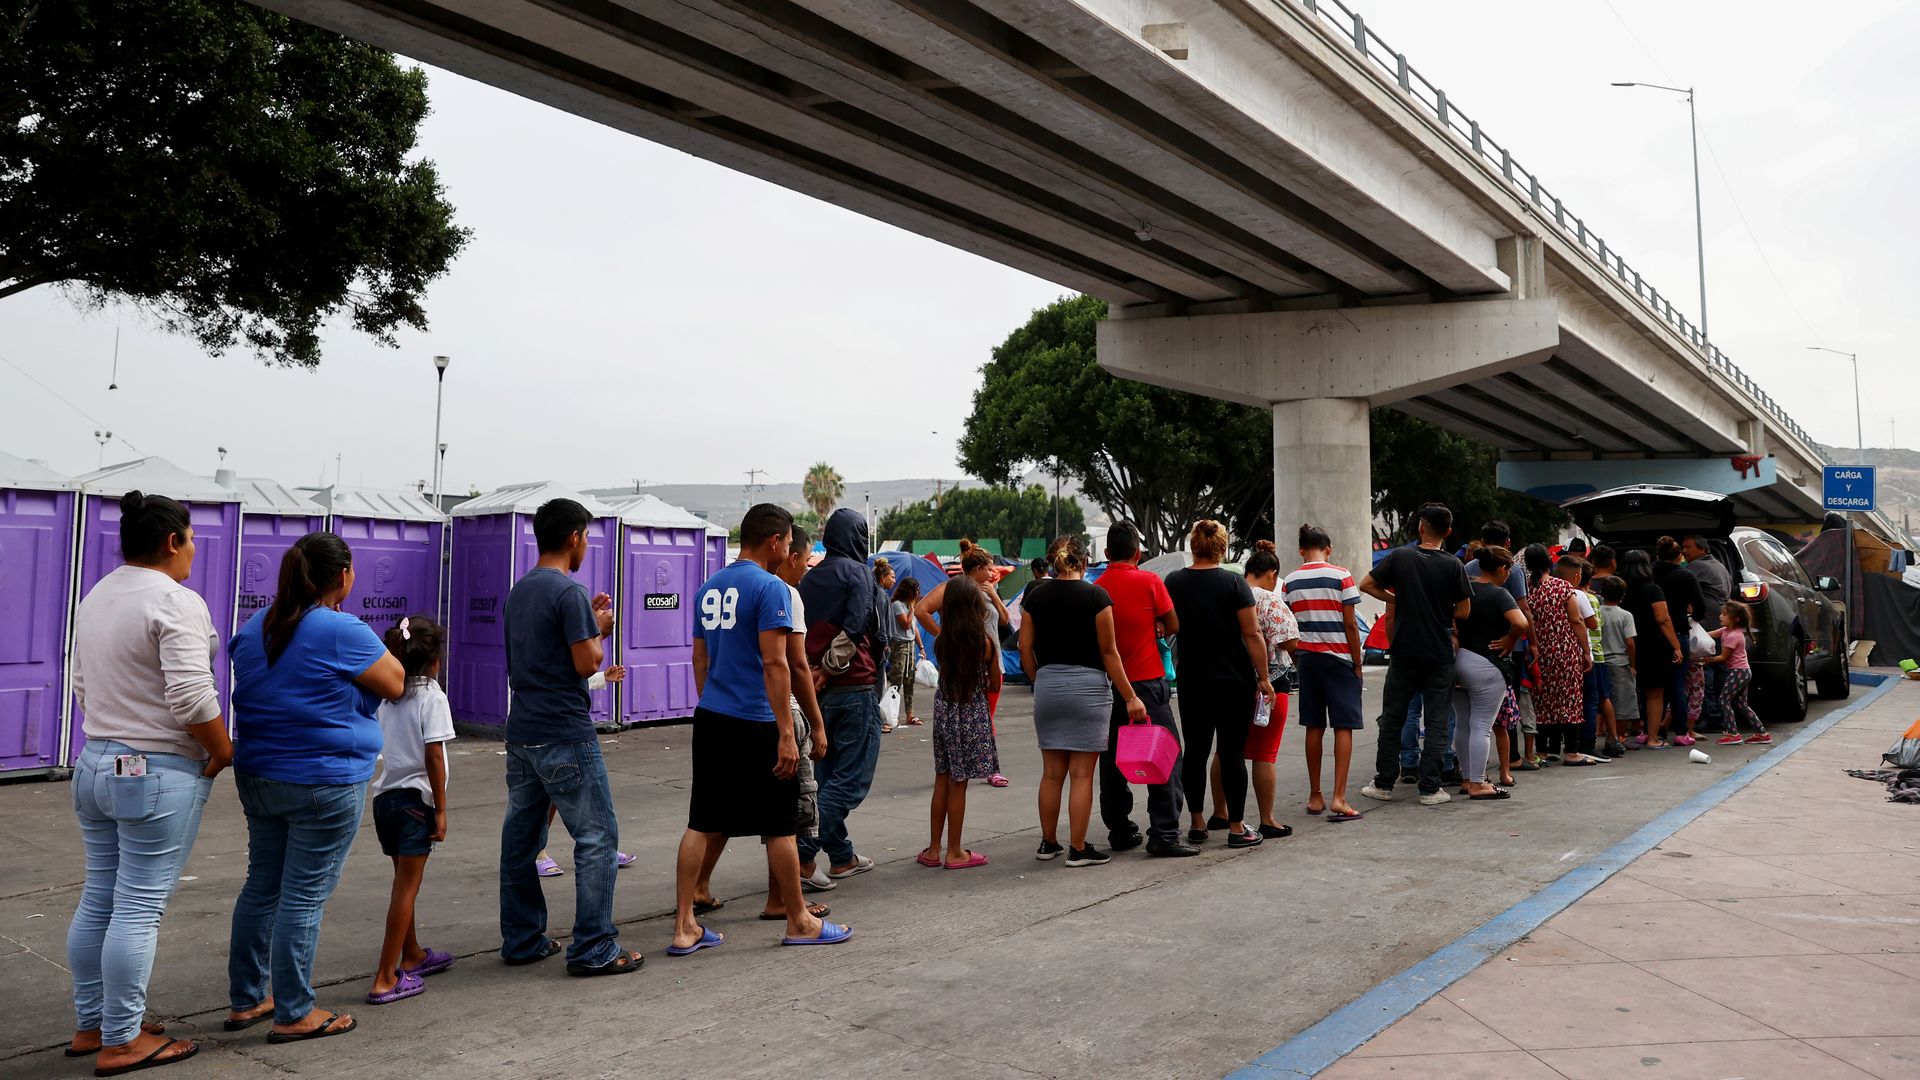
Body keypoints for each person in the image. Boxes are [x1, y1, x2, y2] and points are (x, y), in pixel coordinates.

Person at [66, 491, 233, 1074]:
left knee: (101, 898)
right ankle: (122, 1039)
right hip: (153, 770)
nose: (192, 552)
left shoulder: (97, 597)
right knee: (138, 907)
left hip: (97, 763)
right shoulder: (174, 600)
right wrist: (221, 750)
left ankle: (97, 1024)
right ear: (172, 541)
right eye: (190, 540)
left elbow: (82, 683)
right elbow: (191, 695)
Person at [226, 532, 406, 1041]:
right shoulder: (339, 628)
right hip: (322, 780)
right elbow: (394, 683)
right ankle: (294, 1012)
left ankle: (247, 999)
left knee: (262, 885)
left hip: (259, 774)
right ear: (343, 575)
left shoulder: (255, 625)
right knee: (303, 897)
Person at [673, 503, 850, 952]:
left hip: (712, 717)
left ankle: (684, 926)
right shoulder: (770, 588)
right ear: (774, 541)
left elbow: (700, 659)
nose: (789, 552)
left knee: (701, 821)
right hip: (756, 721)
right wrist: (788, 731)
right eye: (788, 544)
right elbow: (778, 663)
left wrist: (713, 700)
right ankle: (798, 921)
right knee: (780, 825)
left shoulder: (708, 587)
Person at [495, 500, 638, 977]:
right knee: (597, 837)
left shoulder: (520, 591)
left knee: (522, 841)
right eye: (586, 537)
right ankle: (594, 946)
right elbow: (586, 663)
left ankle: (522, 939)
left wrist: (585, 626)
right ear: (575, 537)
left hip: (523, 732)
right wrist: (599, 630)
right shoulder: (568, 591)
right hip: (563, 732)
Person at [1022, 535, 1145, 866]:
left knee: (1051, 774)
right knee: (1081, 775)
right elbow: (1109, 652)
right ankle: (1078, 848)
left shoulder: (1035, 596)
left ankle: (1048, 843)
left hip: (1048, 686)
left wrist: (1038, 678)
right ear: (1085, 562)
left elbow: (1023, 646)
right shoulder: (1096, 596)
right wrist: (1130, 696)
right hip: (1088, 689)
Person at [365, 615, 455, 1005]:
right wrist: (441, 808)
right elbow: (434, 755)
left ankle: (412, 954)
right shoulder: (432, 696)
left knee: (404, 885)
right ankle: (385, 977)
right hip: (415, 803)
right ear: (434, 660)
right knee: (406, 888)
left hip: (385, 800)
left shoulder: (389, 695)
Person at [1165, 520, 1272, 847]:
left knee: (1196, 752)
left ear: (1193, 545)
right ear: (1222, 548)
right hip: (1233, 680)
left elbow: (1168, 626)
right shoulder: (1233, 583)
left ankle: (1197, 824)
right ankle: (1237, 828)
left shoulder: (1174, 582)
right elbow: (1252, 633)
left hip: (1192, 679)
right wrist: (1264, 678)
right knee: (1231, 753)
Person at [798, 508, 889, 890]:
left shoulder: (808, 578)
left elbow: (798, 632)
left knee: (826, 778)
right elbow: (859, 626)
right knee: (850, 782)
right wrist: (830, 668)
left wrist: (814, 674)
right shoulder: (859, 574)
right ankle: (802, 854)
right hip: (853, 686)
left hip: (816, 694)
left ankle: (842, 856)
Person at [1094, 522, 1196, 857]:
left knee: (1112, 760)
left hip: (1106, 687)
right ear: (1138, 553)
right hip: (1147, 683)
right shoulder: (1150, 581)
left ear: (1107, 553)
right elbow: (1175, 625)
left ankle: (1120, 830)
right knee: (1165, 757)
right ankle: (1164, 833)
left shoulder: (1097, 587)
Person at [1358, 504, 1471, 806]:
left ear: (1421, 528)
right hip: (1438, 651)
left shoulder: (1400, 556)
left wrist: (1397, 598)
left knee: (1394, 716)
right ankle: (1430, 787)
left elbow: (1366, 584)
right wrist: (1441, 608)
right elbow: (1464, 609)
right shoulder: (1453, 565)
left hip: (1404, 650)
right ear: (1447, 532)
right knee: (1436, 719)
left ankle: (1383, 782)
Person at [1283, 524, 1366, 822]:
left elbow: (1288, 625)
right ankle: (1339, 797)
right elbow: (1351, 625)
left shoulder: (1289, 582)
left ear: (1302, 550)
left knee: (1314, 725)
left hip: (1307, 659)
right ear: (1328, 549)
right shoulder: (1342, 576)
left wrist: (1297, 655)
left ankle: (1315, 795)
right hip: (1339, 659)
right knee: (1343, 725)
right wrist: (1357, 662)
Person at [916, 540, 1012, 788]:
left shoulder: (989, 589)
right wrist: (942, 637)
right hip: (960, 664)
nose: (992, 573)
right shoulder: (956, 588)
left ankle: (984, 766)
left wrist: (994, 596)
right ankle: (965, 766)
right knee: (958, 716)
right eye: (989, 568)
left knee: (985, 716)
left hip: (990, 660)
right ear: (978, 567)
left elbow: (1003, 621)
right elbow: (921, 610)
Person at [922, 573, 1000, 870]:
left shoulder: (942, 642)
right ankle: (954, 851)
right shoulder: (986, 644)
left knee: (942, 777)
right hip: (971, 713)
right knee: (960, 782)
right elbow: (993, 685)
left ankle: (933, 850)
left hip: (944, 713)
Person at [532, 661, 633, 878]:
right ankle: (537, 852)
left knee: (578, 792)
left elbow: (572, 678)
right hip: (548, 727)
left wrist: (601, 677)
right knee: (547, 796)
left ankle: (602, 849)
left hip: (568, 729)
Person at [1235, 541, 1300, 838]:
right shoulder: (1269, 600)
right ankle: (1268, 819)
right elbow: (1289, 642)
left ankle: (1221, 815)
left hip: (1233, 682)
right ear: (1272, 573)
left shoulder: (1231, 593)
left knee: (1227, 752)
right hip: (1271, 684)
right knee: (1264, 754)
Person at [1453, 546, 1528, 799]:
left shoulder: (1464, 589)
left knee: (1463, 724)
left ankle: (1466, 778)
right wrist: (1510, 639)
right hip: (1487, 664)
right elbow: (1521, 623)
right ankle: (1478, 783)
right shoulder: (1500, 594)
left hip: (1458, 661)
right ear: (1501, 569)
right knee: (1482, 726)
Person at [1621, 549, 1683, 747]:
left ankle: (1623, 735)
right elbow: (1663, 619)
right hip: (1652, 645)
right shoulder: (1652, 589)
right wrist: (1676, 645)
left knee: (1629, 691)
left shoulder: (1622, 589)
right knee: (1654, 693)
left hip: (1626, 643)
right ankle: (1653, 738)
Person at [1654, 536, 1708, 746]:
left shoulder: (1650, 573)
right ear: (1679, 556)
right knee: (1677, 684)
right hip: (1677, 632)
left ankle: (1650, 729)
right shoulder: (1685, 575)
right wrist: (1690, 616)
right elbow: (1700, 607)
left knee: (1653, 685)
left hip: (1650, 635)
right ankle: (1681, 730)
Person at [1681, 535, 1732, 731]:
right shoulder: (1719, 565)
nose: (1684, 551)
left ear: (1701, 549)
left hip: (1706, 628)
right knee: (1721, 670)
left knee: (1705, 671)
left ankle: (1710, 715)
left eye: (1688, 547)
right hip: (1718, 624)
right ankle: (1722, 715)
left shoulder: (1697, 567)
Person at [1704, 601, 1770, 745]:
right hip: (1742, 672)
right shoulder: (1725, 630)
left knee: (1723, 700)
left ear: (1736, 619)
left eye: (1725, 614)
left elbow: (1723, 657)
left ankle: (1733, 733)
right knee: (1741, 704)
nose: (1720, 616)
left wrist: (1706, 660)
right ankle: (1762, 733)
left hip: (1739, 673)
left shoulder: (1734, 636)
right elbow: (1709, 635)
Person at [1598, 576, 1640, 747]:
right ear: (1623, 595)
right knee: (1622, 703)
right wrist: (1632, 664)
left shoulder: (1596, 612)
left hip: (1600, 660)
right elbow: (1630, 643)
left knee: (1603, 698)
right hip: (1619, 662)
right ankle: (1619, 736)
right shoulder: (1625, 615)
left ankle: (1600, 730)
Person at [888, 577, 924, 727]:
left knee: (909, 680)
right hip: (899, 646)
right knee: (896, 681)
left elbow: (914, 628)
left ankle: (910, 715)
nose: (917, 593)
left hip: (910, 646)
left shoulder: (909, 605)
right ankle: (891, 715)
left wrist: (921, 646)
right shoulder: (897, 605)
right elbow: (906, 624)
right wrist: (912, 608)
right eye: (916, 590)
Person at [874, 559, 898, 732]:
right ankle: (877, 721)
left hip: (883, 646)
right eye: (892, 577)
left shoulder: (881, 594)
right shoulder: (880, 596)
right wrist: (884, 644)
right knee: (877, 686)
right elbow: (881, 623)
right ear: (882, 578)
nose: (894, 580)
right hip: (881, 647)